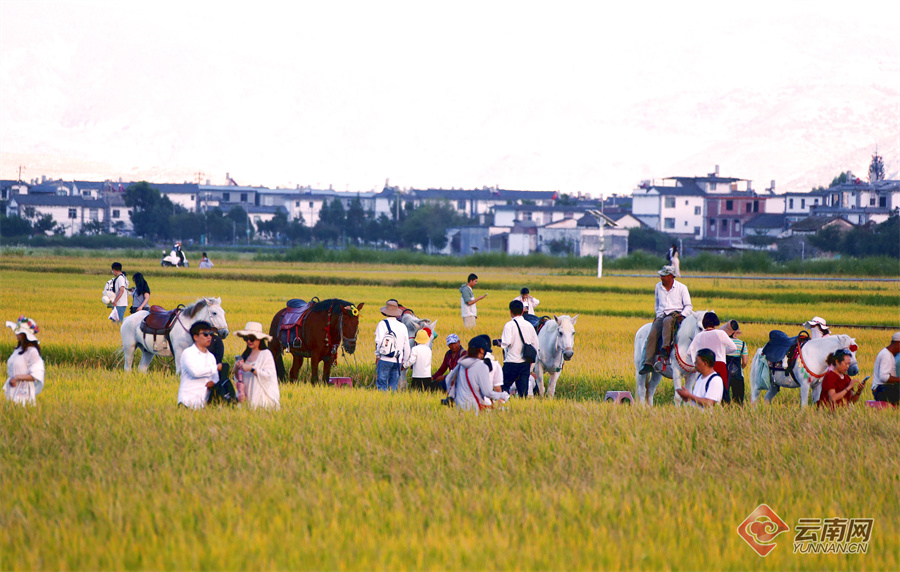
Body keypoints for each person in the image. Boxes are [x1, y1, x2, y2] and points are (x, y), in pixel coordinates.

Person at [639, 266, 693, 375]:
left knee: (667, 321)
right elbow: (657, 304)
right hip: (662, 314)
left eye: (664, 276)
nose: (661, 278)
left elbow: (688, 306)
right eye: (661, 275)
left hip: (676, 314)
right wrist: (658, 315)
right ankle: (648, 363)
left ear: (670, 276)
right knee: (652, 333)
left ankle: (665, 348)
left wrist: (682, 315)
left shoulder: (682, 288)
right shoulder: (658, 287)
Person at [447, 335, 510, 412]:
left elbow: (448, 379)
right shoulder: (482, 366)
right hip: (475, 408)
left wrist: (453, 396)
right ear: (481, 350)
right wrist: (503, 395)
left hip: (459, 407)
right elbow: (487, 392)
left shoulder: (461, 364)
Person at [687, 312, 736, 401]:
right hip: (719, 365)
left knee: (704, 391)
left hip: (704, 365)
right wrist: (722, 352)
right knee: (722, 391)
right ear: (715, 322)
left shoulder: (699, 336)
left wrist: (698, 359)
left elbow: (689, 352)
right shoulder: (721, 333)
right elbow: (733, 347)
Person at [235, 322, 280, 410]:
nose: (249, 341)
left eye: (252, 338)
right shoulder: (245, 355)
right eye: (246, 338)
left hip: (260, 399)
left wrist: (251, 369)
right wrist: (237, 368)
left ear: (260, 339)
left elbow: (269, 376)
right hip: (246, 398)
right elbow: (238, 378)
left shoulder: (266, 354)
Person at [500, 299, 540, 398]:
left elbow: (505, 343)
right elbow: (536, 345)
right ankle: (521, 407)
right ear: (522, 311)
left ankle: (504, 405)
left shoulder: (509, 325)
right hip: (524, 365)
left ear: (510, 311)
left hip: (511, 363)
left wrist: (499, 343)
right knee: (523, 393)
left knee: (502, 388)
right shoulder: (529, 325)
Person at [3, 316, 45, 405]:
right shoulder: (18, 350)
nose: (16, 333)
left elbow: (37, 375)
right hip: (12, 388)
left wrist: (17, 377)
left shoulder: (32, 351)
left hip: (24, 392)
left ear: (24, 334)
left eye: (18, 331)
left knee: (22, 411)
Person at [177, 321, 219, 409]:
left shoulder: (211, 357)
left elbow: (216, 377)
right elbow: (195, 372)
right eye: (205, 334)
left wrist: (214, 382)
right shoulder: (188, 353)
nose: (209, 337)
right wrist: (216, 367)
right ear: (196, 337)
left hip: (204, 403)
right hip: (187, 402)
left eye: (211, 334)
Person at [374, 299, 410, 391]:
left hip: (384, 359)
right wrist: (405, 362)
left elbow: (378, 342)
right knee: (393, 386)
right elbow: (407, 346)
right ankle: (392, 400)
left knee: (382, 385)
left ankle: (382, 400)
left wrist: (378, 356)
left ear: (386, 312)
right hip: (398, 361)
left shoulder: (382, 324)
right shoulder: (402, 326)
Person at [721, 320, 749, 405]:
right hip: (738, 374)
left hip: (725, 373)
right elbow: (745, 362)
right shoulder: (742, 344)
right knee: (739, 401)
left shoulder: (724, 343)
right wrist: (740, 368)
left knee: (724, 400)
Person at [871, 332, 900, 404]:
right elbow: (884, 377)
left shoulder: (890, 354)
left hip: (883, 389)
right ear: (898, 343)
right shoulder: (886, 355)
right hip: (881, 390)